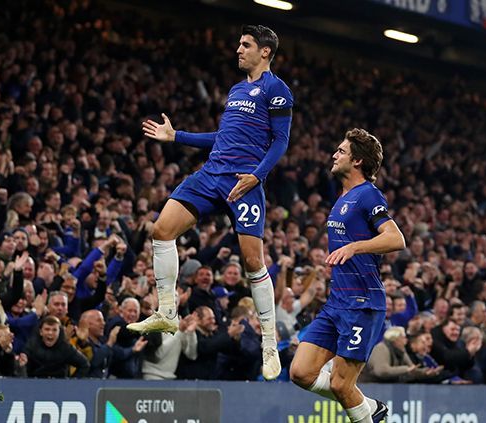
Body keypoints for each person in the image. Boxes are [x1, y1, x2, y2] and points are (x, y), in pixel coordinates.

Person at [129, 24, 293, 380]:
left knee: (252, 262)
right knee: (160, 230)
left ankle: (268, 340)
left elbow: (281, 141)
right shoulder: (236, 90)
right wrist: (177, 136)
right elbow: (223, 137)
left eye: (245, 44)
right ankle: (168, 312)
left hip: (243, 181)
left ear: (265, 52)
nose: (238, 49)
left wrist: (257, 176)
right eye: (238, 43)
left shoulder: (277, 89)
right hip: (211, 174)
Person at [289, 128, 406, 423]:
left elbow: (396, 239)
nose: (334, 154)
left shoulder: (368, 194)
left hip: (363, 304)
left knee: (342, 384)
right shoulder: (343, 197)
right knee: (300, 372)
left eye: (341, 151)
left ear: (357, 161)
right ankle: (370, 406)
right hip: (336, 303)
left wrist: (356, 247)